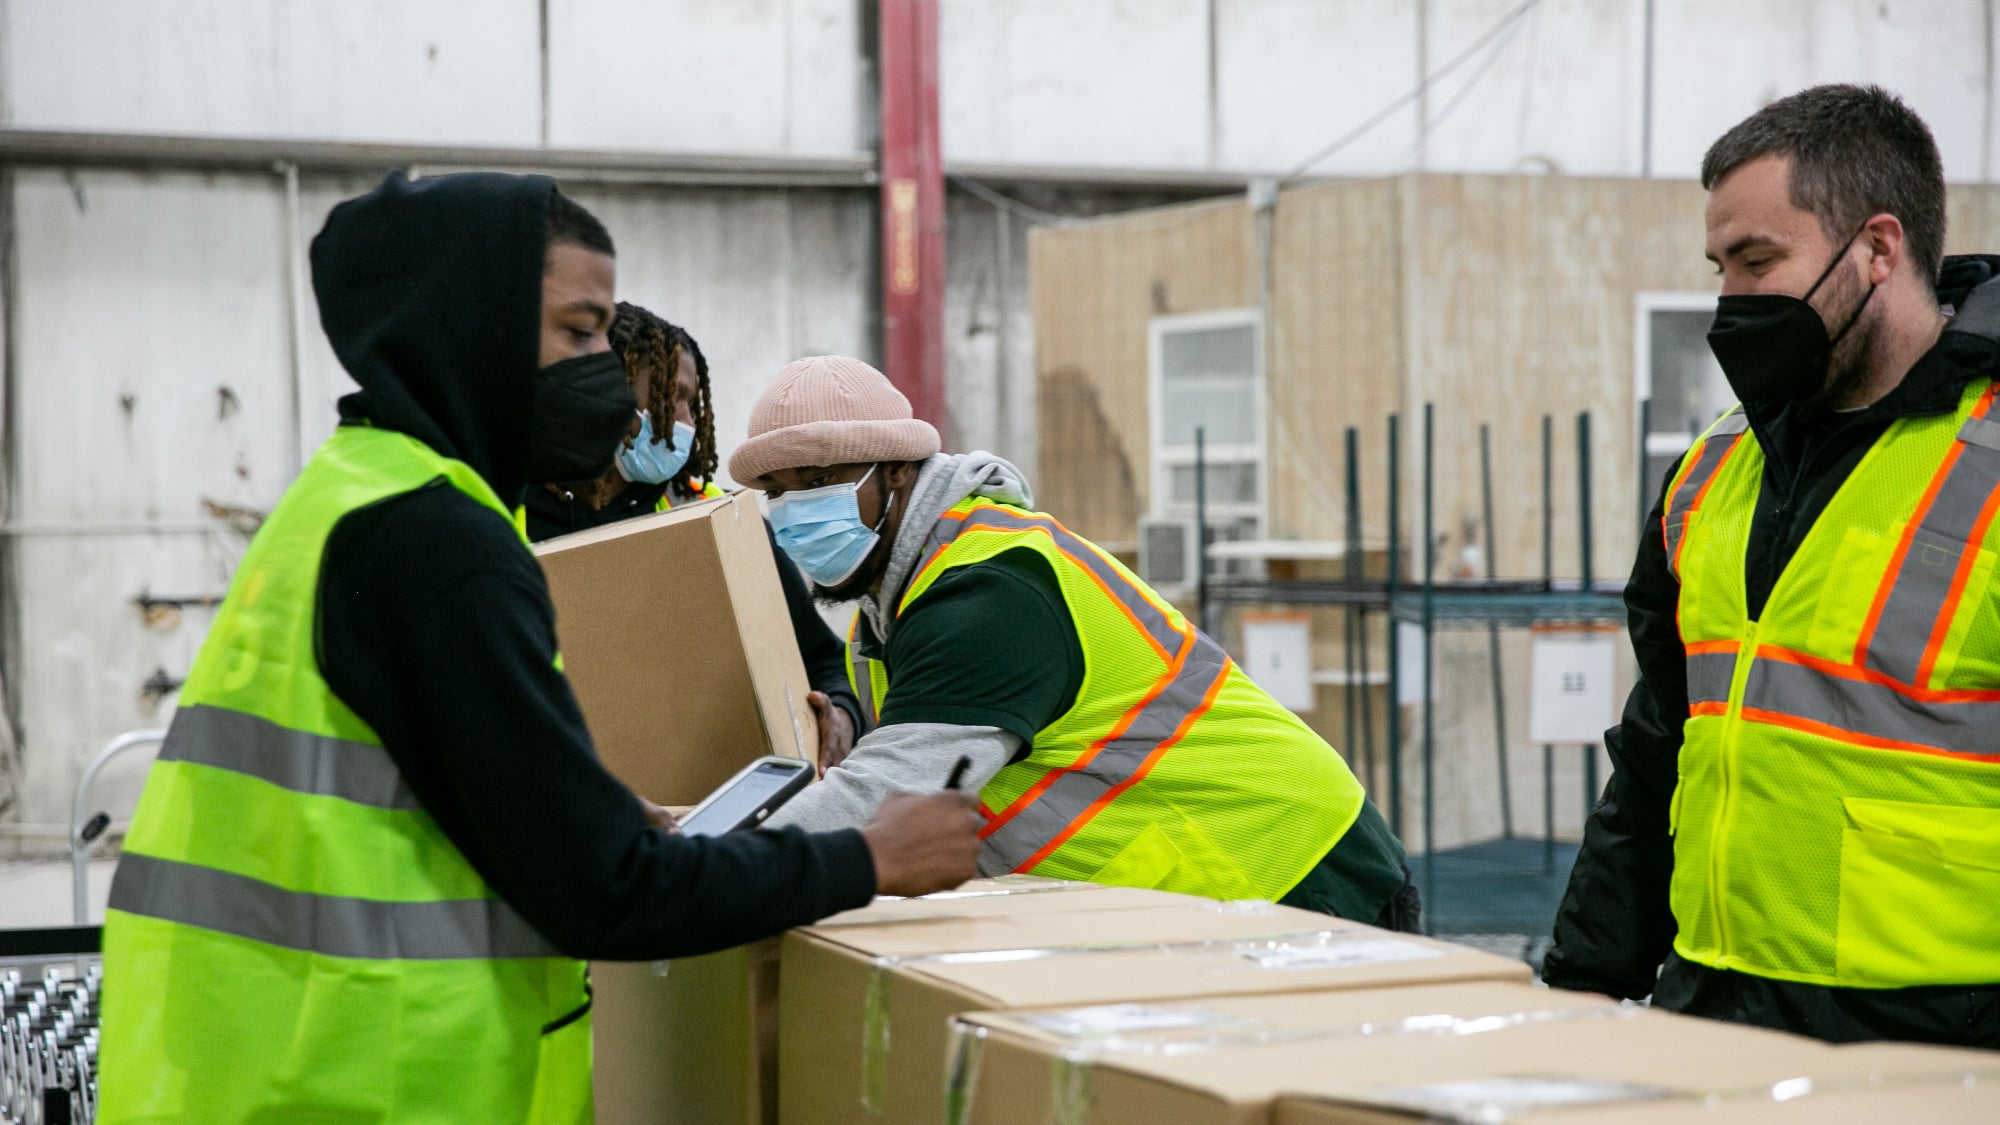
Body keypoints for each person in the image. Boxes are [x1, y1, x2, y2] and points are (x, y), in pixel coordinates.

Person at [96, 171, 981, 1124]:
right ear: (466, 324)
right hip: (370, 1086)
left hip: (267, 1062)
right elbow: (610, 893)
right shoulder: (438, 545)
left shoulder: (353, 497)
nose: (607, 367)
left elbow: (397, 800)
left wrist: (574, 806)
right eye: (578, 330)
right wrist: (868, 856)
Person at [1544, 84, 2000, 1047]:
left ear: (1880, 249)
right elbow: (1662, 747)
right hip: (1714, 1014)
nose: (1731, 301)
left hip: (1933, 1048)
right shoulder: (1713, 471)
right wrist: (1584, 978)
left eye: (1759, 261)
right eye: (1720, 266)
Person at [733, 354, 1418, 926]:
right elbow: (923, 757)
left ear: (899, 471)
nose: (795, 514)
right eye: (777, 494)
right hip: (1192, 893)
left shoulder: (988, 591)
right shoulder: (888, 611)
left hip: (1289, 865)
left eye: (820, 483)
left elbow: (887, 798)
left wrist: (711, 868)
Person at [521, 300, 861, 763]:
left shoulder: (720, 523)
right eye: (669, 396)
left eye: (692, 402)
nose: (688, 421)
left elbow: (823, 660)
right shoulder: (506, 512)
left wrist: (841, 714)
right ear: (607, 393)